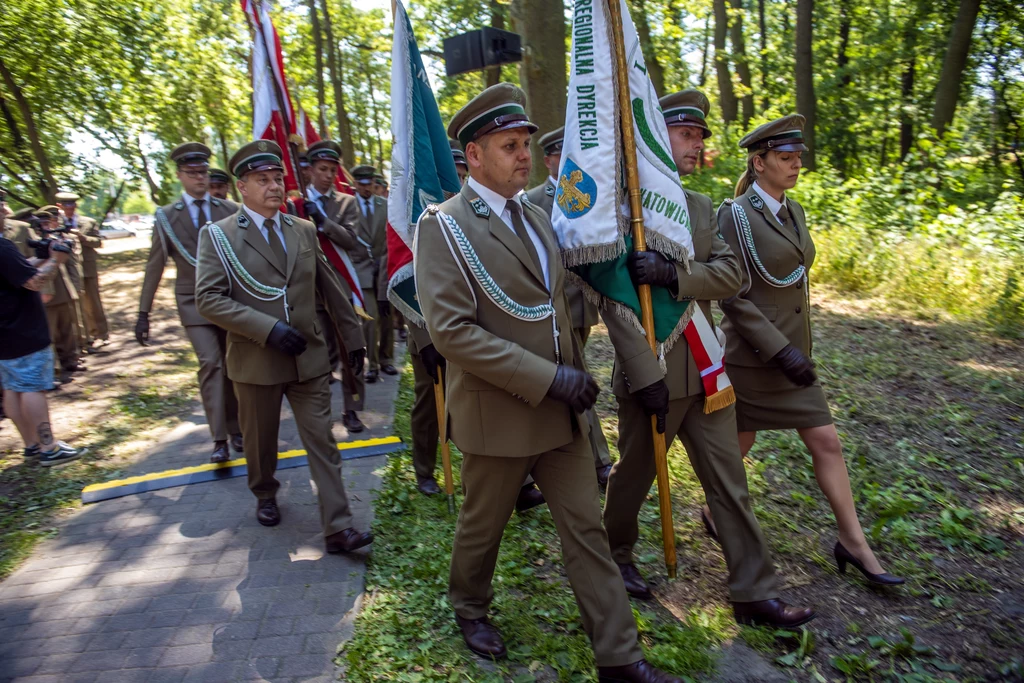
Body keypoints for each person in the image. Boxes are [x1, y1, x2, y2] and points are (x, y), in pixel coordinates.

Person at [416, 83, 682, 683]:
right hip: (499, 412)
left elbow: (564, 312)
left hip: (564, 413)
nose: (523, 157)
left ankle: (620, 658)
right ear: (474, 156)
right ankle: (469, 605)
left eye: (526, 145)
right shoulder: (445, 227)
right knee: (483, 528)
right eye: (509, 146)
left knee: (586, 531)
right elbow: (453, 332)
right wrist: (548, 379)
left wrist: (592, 379)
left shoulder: (539, 219)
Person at [602, 89, 816, 628]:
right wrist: (643, 371)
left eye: (700, 136)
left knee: (730, 483)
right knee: (634, 477)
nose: (697, 144)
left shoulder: (700, 207)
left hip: (707, 369)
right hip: (653, 371)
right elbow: (613, 300)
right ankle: (615, 555)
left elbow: (730, 276)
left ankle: (752, 591)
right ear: (654, 137)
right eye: (686, 134)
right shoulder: (622, 211)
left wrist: (675, 275)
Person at [715, 114, 904, 587]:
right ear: (758, 163)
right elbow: (730, 294)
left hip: (796, 355)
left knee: (826, 441)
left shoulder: (793, 210)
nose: (797, 164)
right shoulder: (733, 215)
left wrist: (794, 349)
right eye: (785, 157)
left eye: (798, 156)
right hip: (756, 356)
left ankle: (853, 541)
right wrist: (780, 351)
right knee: (737, 446)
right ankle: (714, 513)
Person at [195, 139, 372, 553]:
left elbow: (331, 288)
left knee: (323, 442)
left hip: (308, 358)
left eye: (278, 178)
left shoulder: (303, 229)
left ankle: (338, 527)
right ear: (242, 186)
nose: (274, 187)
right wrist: (267, 329)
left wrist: (354, 339)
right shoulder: (219, 237)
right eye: (263, 180)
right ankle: (264, 492)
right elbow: (209, 298)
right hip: (256, 360)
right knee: (260, 443)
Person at [136, 142, 243, 463]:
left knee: (233, 366)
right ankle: (219, 439)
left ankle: (236, 428)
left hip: (228, 300)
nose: (200, 179)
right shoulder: (167, 217)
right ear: (180, 175)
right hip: (193, 303)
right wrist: (143, 312)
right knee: (211, 363)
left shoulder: (230, 210)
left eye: (204, 172)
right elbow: (154, 266)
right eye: (193, 173)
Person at [526, 126, 613, 489]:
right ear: (547, 160)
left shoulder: (587, 194)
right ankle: (598, 461)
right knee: (575, 378)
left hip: (581, 305)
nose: (565, 161)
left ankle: (575, 459)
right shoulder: (532, 201)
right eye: (559, 155)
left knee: (573, 376)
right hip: (549, 310)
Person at [0, 213, 86, 467]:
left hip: (4, 333)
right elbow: (33, 282)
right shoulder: (2, 246)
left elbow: (14, 271)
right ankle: (49, 448)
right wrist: (57, 260)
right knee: (31, 387)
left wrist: (42, 256)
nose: (4, 213)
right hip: (22, 328)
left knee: (13, 389)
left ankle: (31, 445)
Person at [303, 139, 367, 434]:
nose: (328, 175)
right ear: (310, 170)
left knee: (352, 347)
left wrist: (322, 220)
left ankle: (352, 409)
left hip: (341, 288)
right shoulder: (295, 202)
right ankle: (317, 413)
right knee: (316, 355)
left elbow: (351, 240)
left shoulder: (347, 202)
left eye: (332, 170)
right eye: (322, 169)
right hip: (308, 287)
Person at [348, 165, 394, 382]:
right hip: (361, 270)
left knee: (386, 317)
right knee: (369, 318)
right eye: (362, 184)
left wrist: (384, 265)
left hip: (384, 267)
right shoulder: (347, 206)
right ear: (355, 184)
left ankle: (387, 359)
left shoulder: (385, 205)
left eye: (370, 184)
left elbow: (390, 239)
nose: (366, 188)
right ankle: (373, 365)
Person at [35, 206, 84, 384]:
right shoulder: (35, 240)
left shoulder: (57, 237)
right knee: (50, 333)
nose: (50, 225)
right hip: (45, 293)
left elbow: (69, 265)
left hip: (63, 290)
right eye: (45, 222)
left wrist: (74, 287)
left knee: (67, 328)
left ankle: (70, 360)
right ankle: (53, 371)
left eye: (51, 221)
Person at [57, 192, 109, 350]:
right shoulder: (54, 222)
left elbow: (99, 242)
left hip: (87, 267)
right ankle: (82, 339)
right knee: (74, 305)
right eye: (66, 205)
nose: (70, 208)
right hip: (66, 269)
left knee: (92, 302)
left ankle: (100, 334)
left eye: (72, 204)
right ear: (59, 206)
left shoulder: (88, 222)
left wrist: (83, 238)